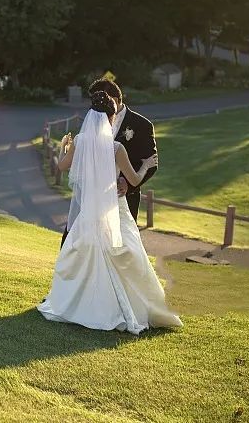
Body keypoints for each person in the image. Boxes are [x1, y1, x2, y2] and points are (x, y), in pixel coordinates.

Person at [37, 91, 181, 334]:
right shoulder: (116, 149)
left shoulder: (81, 141)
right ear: (112, 118)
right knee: (126, 254)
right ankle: (123, 307)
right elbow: (133, 180)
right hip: (115, 209)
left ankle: (82, 306)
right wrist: (146, 164)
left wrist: (63, 146)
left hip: (89, 214)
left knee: (84, 255)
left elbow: (61, 167)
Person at [60, 78, 157, 247]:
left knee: (109, 248)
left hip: (115, 199)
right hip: (92, 202)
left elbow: (152, 163)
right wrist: (144, 166)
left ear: (116, 99)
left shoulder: (142, 125)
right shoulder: (112, 142)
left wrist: (126, 182)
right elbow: (145, 166)